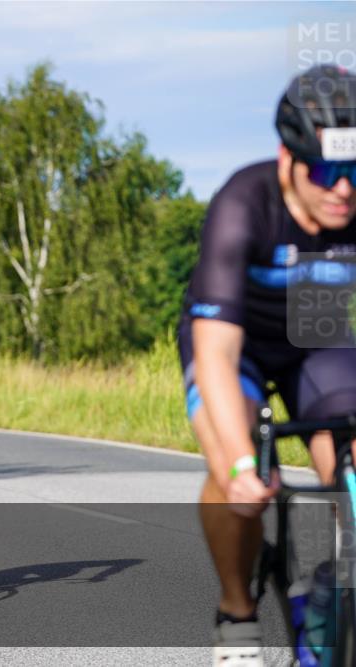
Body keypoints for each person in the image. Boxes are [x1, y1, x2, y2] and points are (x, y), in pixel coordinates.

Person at [179, 64, 356, 665]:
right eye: (326, 170)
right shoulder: (243, 202)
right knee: (238, 477)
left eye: (355, 170)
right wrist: (241, 462)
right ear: (288, 159)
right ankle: (237, 615)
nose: (343, 189)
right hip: (237, 344)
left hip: (318, 339)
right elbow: (215, 356)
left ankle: (339, 584)